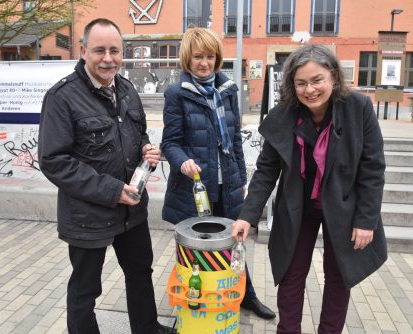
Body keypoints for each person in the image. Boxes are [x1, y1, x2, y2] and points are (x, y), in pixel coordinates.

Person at [232, 44, 387, 333]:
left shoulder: (359, 108)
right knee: (291, 274)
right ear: (292, 85)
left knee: (338, 276)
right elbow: (266, 170)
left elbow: (373, 168)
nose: (310, 90)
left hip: (343, 207)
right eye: (301, 83)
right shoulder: (283, 115)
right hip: (297, 207)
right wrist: (247, 215)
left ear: (333, 78)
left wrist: (366, 221)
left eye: (317, 80)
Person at [38, 18, 175, 334]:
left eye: (115, 50)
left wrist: (146, 152)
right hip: (88, 215)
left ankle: (147, 328)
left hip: (132, 210)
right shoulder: (62, 98)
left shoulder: (126, 90)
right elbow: (54, 161)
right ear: (83, 50)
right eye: (99, 50)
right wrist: (112, 190)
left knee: (140, 272)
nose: (108, 58)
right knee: (86, 290)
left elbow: (137, 135)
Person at [160, 27, 275, 320]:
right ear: (188, 58)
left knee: (234, 245)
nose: (204, 63)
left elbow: (234, 139)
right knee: (199, 251)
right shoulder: (176, 94)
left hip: (228, 186)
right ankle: (198, 301)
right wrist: (182, 161)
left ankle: (245, 295)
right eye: (198, 57)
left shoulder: (227, 91)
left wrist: (242, 180)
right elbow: (170, 143)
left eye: (210, 56)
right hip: (196, 189)